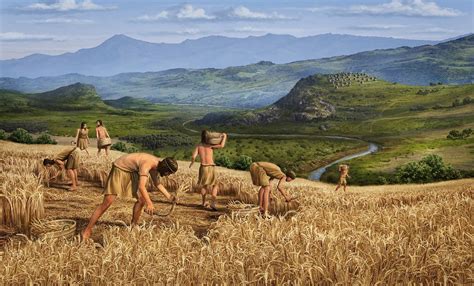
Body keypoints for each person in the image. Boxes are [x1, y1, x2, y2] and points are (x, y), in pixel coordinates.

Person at [81, 153, 178, 240]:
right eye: (168, 173)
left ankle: (133, 225)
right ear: (165, 168)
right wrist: (149, 203)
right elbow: (141, 187)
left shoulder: (156, 165)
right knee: (108, 202)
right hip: (120, 168)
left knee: (141, 200)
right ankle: (87, 231)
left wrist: (169, 197)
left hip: (131, 171)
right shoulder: (147, 164)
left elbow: (158, 184)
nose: (167, 175)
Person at [189, 131, 227, 211]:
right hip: (211, 166)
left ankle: (203, 203)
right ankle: (213, 203)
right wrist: (224, 136)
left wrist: (192, 163)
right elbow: (222, 145)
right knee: (215, 185)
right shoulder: (210, 145)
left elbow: (193, 156)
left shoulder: (199, 146)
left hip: (203, 167)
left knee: (204, 186)